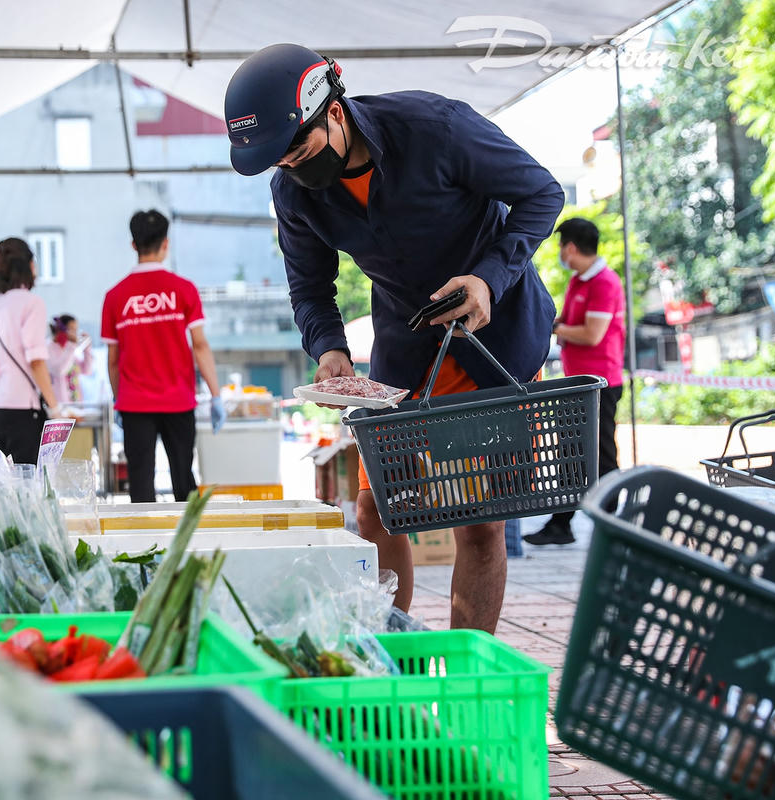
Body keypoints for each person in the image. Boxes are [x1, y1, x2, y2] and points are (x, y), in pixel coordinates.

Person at [224, 45, 563, 631]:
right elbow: (309, 288)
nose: (295, 169)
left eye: (299, 151)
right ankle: (387, 657)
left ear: (332, 112)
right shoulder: (294, 191)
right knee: (378, 512)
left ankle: (465, 673)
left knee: (481, 521)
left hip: (497, 342)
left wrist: (488, 278)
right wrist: (329, 350)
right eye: (281, 163)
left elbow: (543, 194)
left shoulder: (436, 128)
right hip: (406, 352)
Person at [102, 210, 227, 503]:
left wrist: (119, 400)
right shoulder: (183, 289)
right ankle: (188, 545)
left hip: (134, 404)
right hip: (178, 402)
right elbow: (200, 345)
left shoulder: (115, 296)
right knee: (183, 481)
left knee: (141, 486)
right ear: (166, 244)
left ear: (133, 245)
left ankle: (146, 547)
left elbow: (112, 360)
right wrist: (216, 394)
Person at [525, 218, 626, 545]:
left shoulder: (604, 283)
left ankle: (610, 519)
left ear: (570, 246)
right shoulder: (579, 281)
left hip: (602, 384)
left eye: (560, 246)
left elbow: (592, 334)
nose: (559, 253)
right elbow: (569, 322)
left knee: (602, 454)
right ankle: (561, 523)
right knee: (570, 453)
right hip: (578, 383)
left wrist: (555, 329)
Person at [0, 238, 61, 464]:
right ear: (29, 266)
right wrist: (55, 408)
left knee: (1, 488)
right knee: (27, 487)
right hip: (21, 409)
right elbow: (36, 360)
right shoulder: (32, 303)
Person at [46, 314, 94, 404]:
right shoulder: (49, 349)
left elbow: (87, 371)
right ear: (60, 329)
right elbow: (59, 370)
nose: (74, 333)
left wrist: (87, 348)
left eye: (76, 330)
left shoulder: (69, 350)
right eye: (71, 329)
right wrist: (71, 345)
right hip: (59, 406)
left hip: (75, 405)